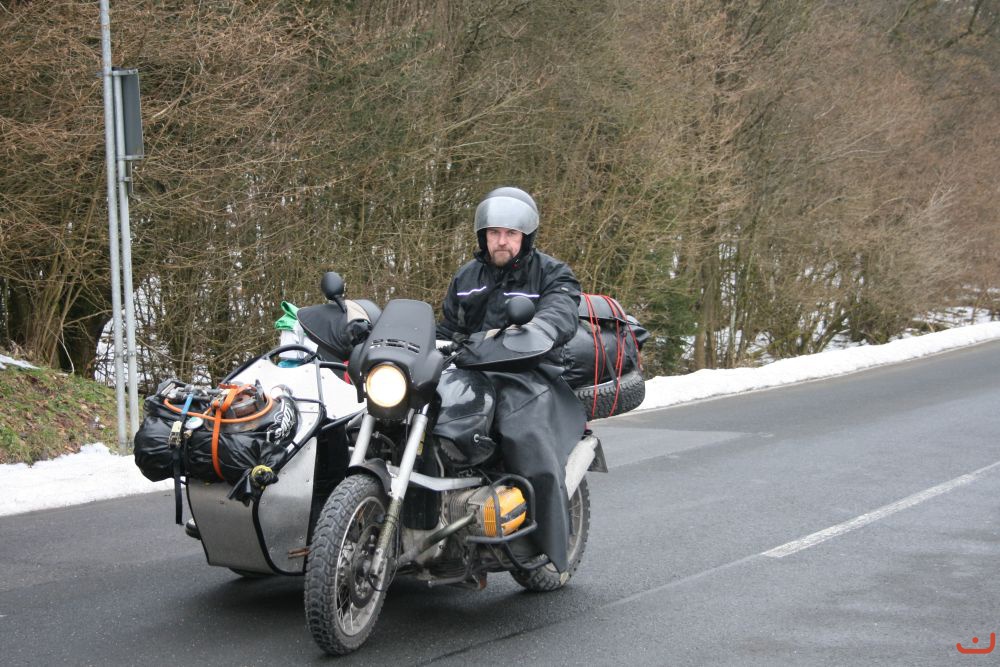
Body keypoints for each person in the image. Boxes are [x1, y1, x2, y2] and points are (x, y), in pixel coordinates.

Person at [437, 186, 587, 572]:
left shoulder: (552, 273)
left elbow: (561, 311)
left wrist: (540, 329)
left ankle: (545, 541)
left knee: (525, 434)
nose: (501, 241)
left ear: (525, 237)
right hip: (473, 371)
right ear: (483, 236)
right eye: (494, 233)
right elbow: (448, 327)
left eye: (510, 233)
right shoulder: (467, 276)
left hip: (530, 372)